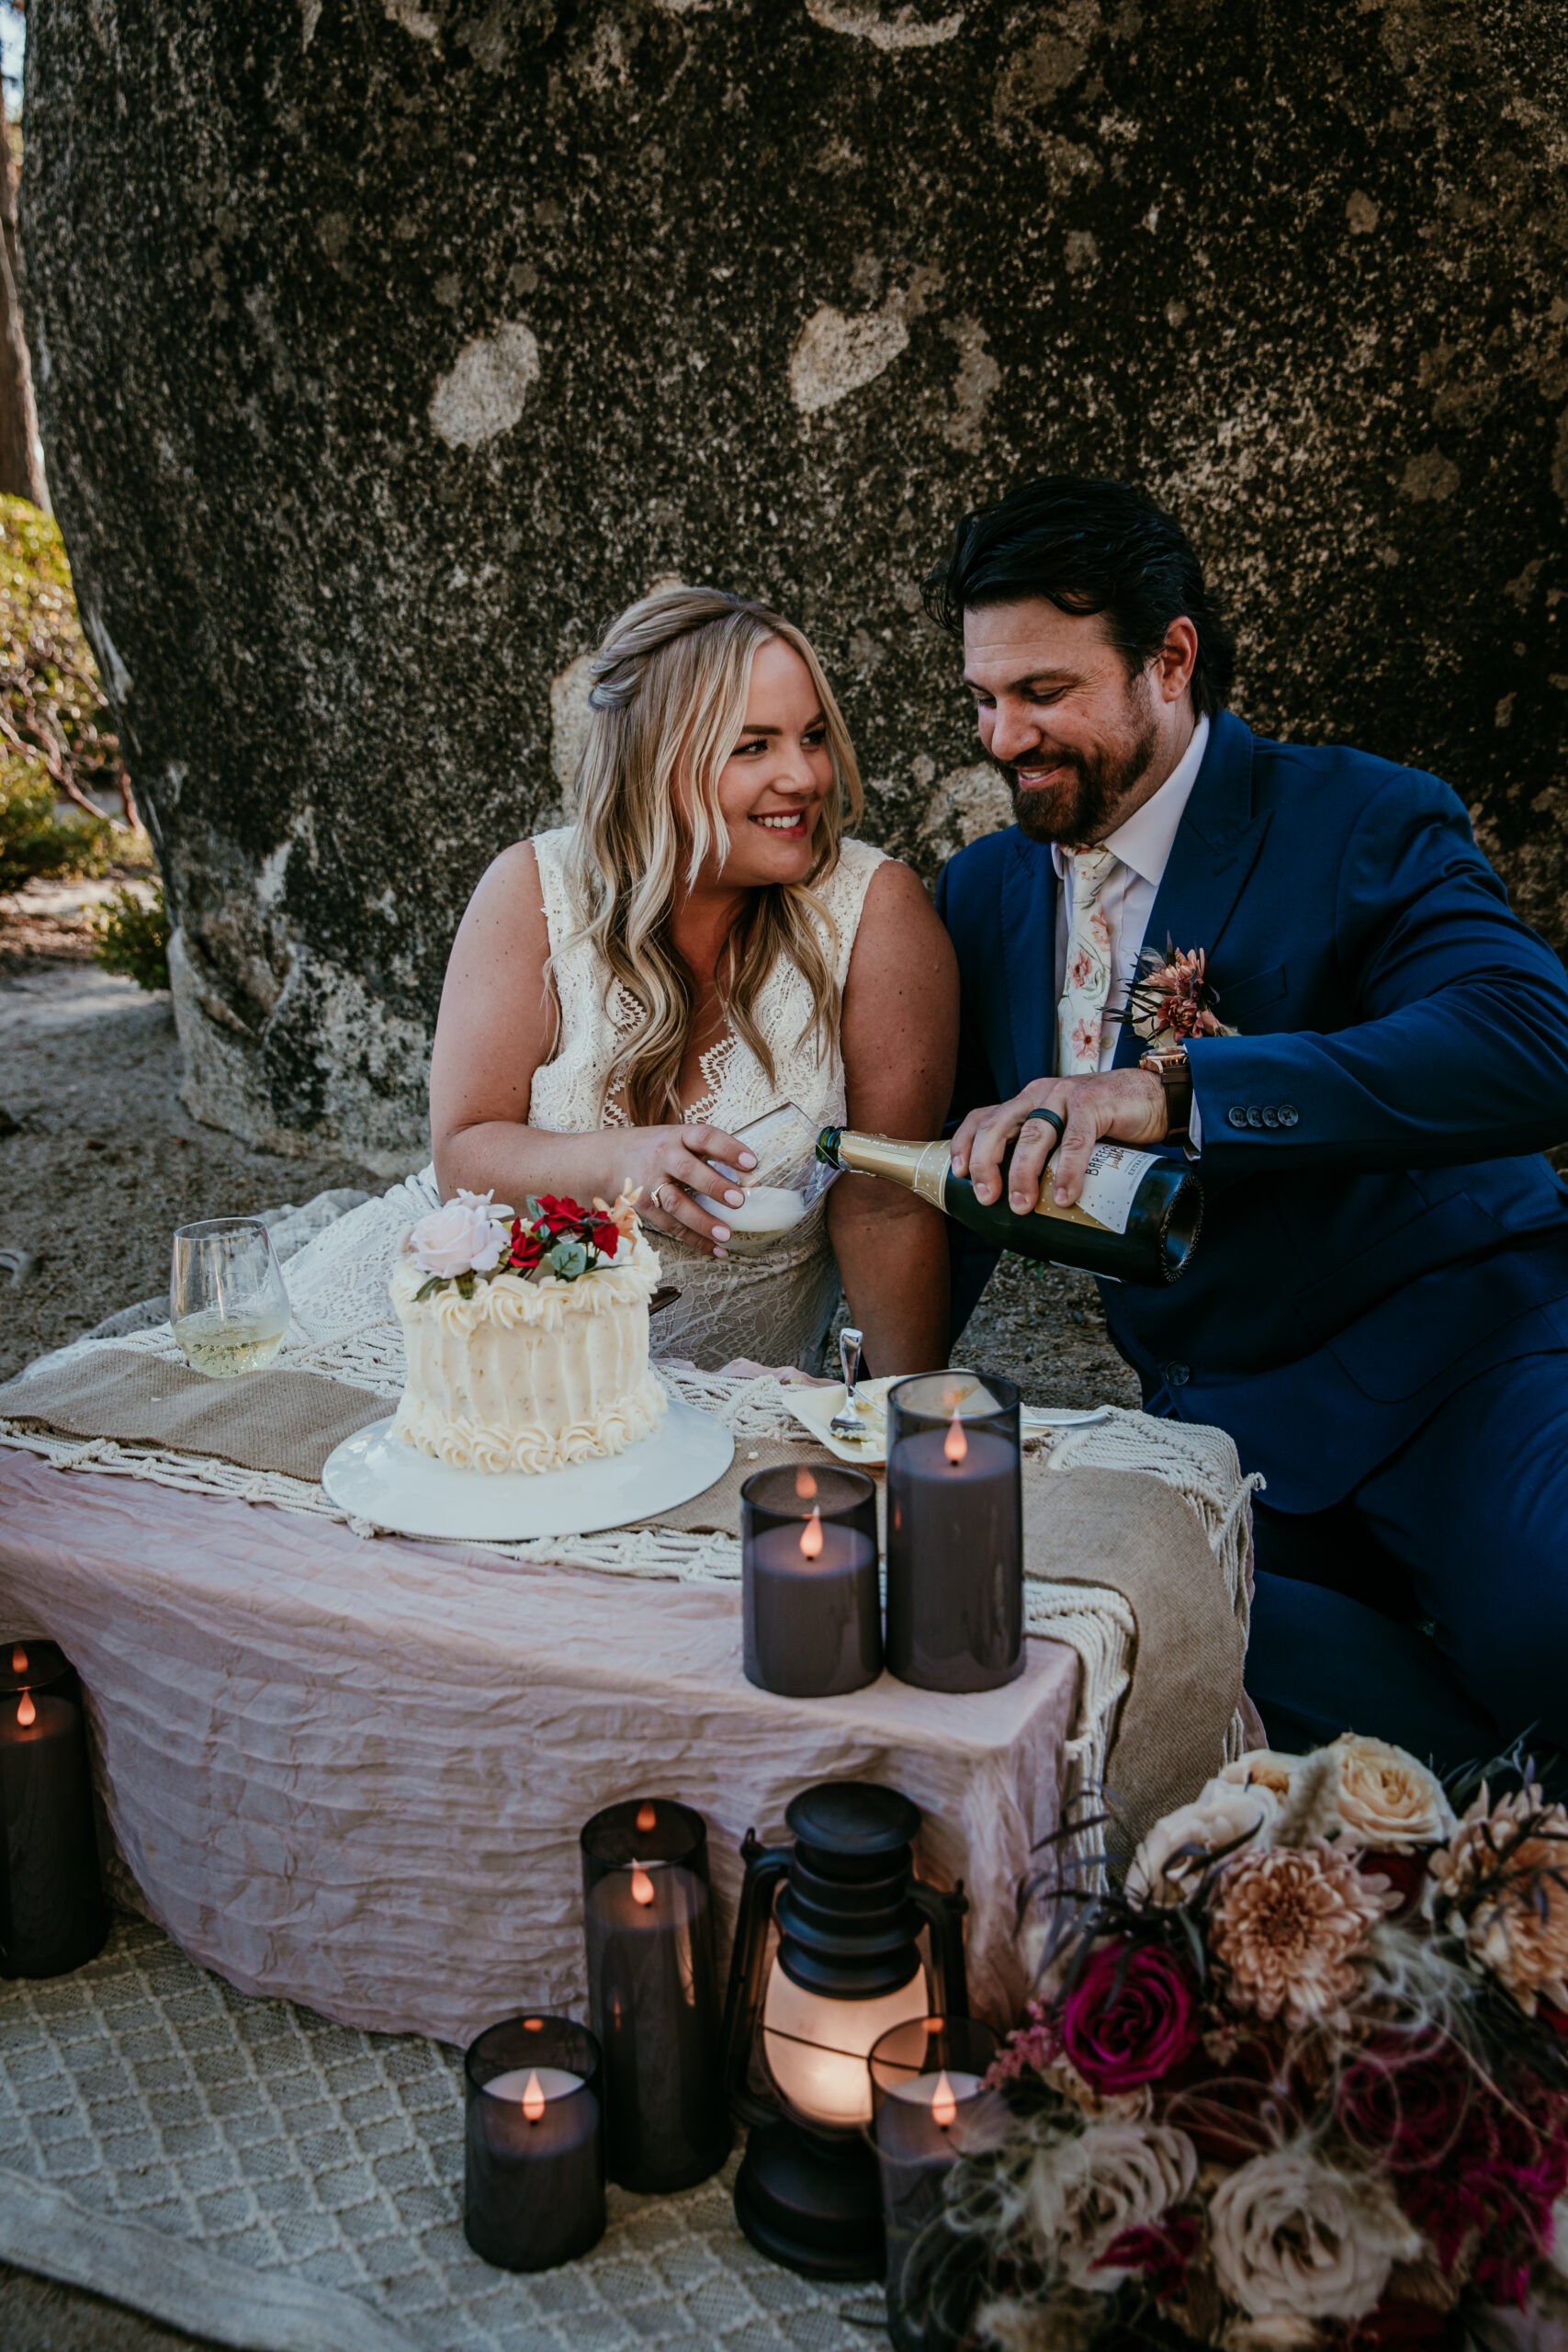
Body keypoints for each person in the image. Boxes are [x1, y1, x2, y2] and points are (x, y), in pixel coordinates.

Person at [929, 474, 1568, 1772]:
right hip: (1222, 1434)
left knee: (1550, 1633)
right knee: (1108, 1661)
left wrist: (1169, 1090)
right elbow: (948, 1178)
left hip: (1463, 1357)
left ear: (1169, 659)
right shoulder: (980, 894)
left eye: (1042, 694)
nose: (1002, 738)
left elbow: (1530, 1038)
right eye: (982, 700)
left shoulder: (1355, 815)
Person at [289, 585, 957, 1377]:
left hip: (713, 1399)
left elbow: (886, 1207)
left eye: (810, 737)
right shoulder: (534, 890)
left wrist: (906, 1433)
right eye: (752, 746)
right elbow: (464, 1155)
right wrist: (621, 1164)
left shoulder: (873, 913)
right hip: (449, 1331)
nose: (804, 775)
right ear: (656, 761)